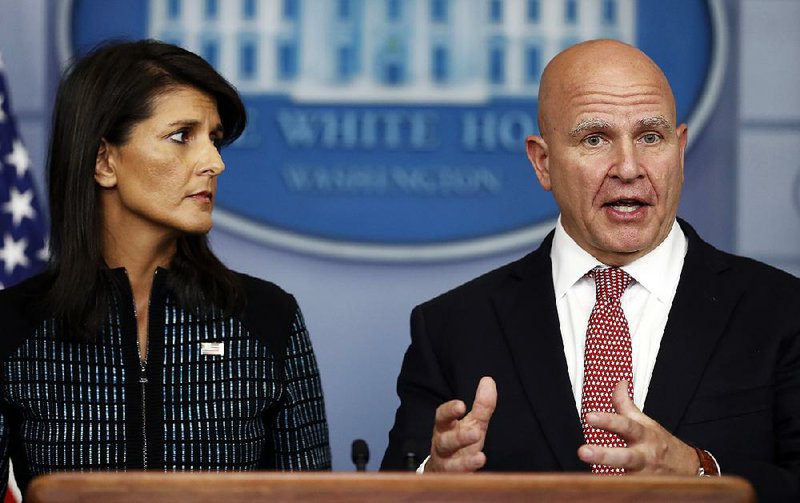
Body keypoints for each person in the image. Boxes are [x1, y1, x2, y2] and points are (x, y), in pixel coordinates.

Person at [381, 39, 800, 502]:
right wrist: (431, 481)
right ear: (543, 162)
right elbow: (396, 486)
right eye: (595, 138)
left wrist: (700, 473)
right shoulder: (451, 327)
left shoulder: (782, 312)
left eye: (649, 137)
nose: (628, 167)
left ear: (679, 151)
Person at [0, 40, 331, 498]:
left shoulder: (268, 317)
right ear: (104, 161)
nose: (214, 163)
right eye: (182, 136)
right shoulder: (13, 326)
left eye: (213, 139)